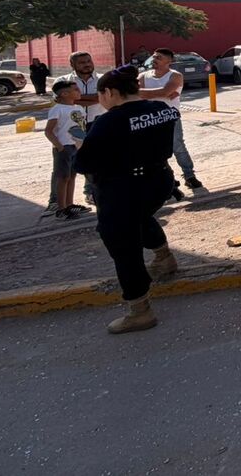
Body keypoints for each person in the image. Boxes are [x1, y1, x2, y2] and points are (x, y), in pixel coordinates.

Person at [73, 65, 180, 334]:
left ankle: (139, 310)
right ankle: (164, 258)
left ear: (109, 92)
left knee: (123, 246)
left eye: (101, 95)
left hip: (124, 187)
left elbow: (83, 163)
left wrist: (80, 146)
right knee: (141, 217)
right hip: (159, 180)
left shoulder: (109, 121)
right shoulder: (162, 109)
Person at [138, 48, 206, 195]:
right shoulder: (143, 76)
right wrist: (161, 93)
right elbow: (137, 94)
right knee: (156, 151)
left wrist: (154, 93)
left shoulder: (175, 76)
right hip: (149, 119)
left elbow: (165, 92)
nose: (155, 60)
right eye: (154, 57)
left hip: (171, 117)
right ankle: (168, 179)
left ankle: (189, 176)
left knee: (178, 147)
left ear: (170, 61)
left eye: (159, 57)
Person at [43, 78, 89, 219]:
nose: (79, 91)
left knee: (72, 176)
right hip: (64, 147)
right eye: (75, 89)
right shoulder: (57, 110)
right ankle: (61, 208)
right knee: (63, 177)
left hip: (77, 146)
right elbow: (48, 131)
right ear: (64, 94)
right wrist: (60, 147)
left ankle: (70, 204)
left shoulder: (79, 108)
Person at [69, 51, 105, 207]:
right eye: (82, 62)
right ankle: (59, 201)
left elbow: (101, 98)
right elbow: (62, 100)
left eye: (88, 61)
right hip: (75, 126)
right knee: (78, 160)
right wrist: (94, 97)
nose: (87, 64)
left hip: (98, 123)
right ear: (73, 65)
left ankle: (96, 191)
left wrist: (77, 98)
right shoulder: (64, 81)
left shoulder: (103, 80)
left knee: (100, 159)